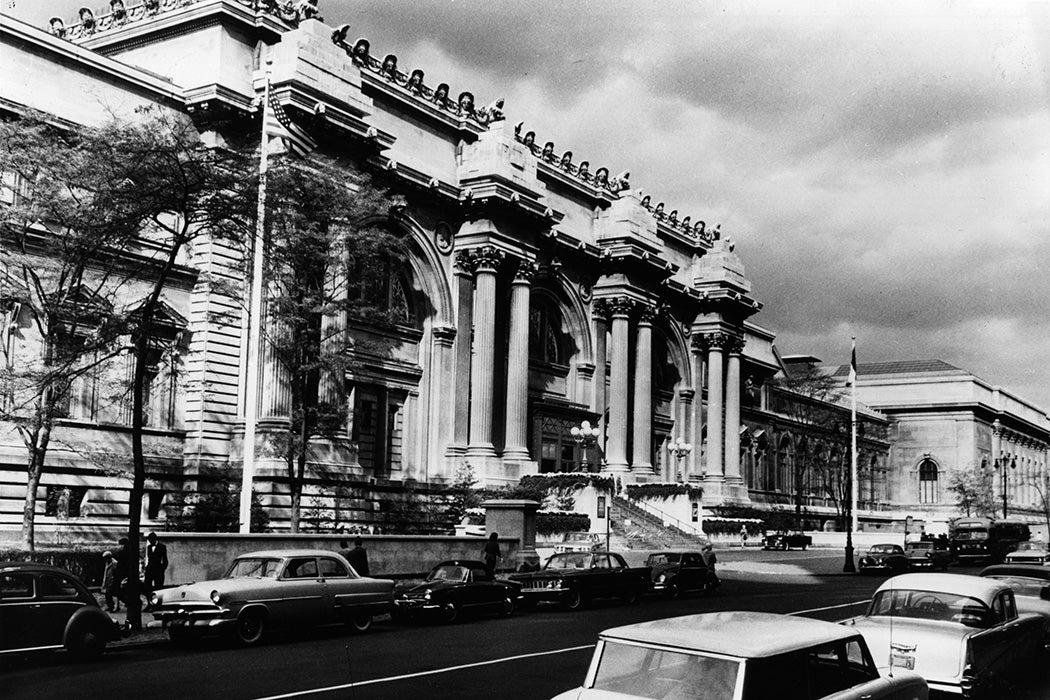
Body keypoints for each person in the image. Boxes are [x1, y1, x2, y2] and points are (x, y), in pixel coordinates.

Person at [143, 531, 168, 608]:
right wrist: (146, 568)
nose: (150, 542)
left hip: (158, 570)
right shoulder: (149, 547)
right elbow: (149, 558)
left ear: (154, 539)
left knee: (158, 588)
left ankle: (158, 604)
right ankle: (149, 604)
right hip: (150, 570)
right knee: (147, 588)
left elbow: (165, 560)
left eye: (151, 540)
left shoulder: (162, 547)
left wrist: (162, 569)